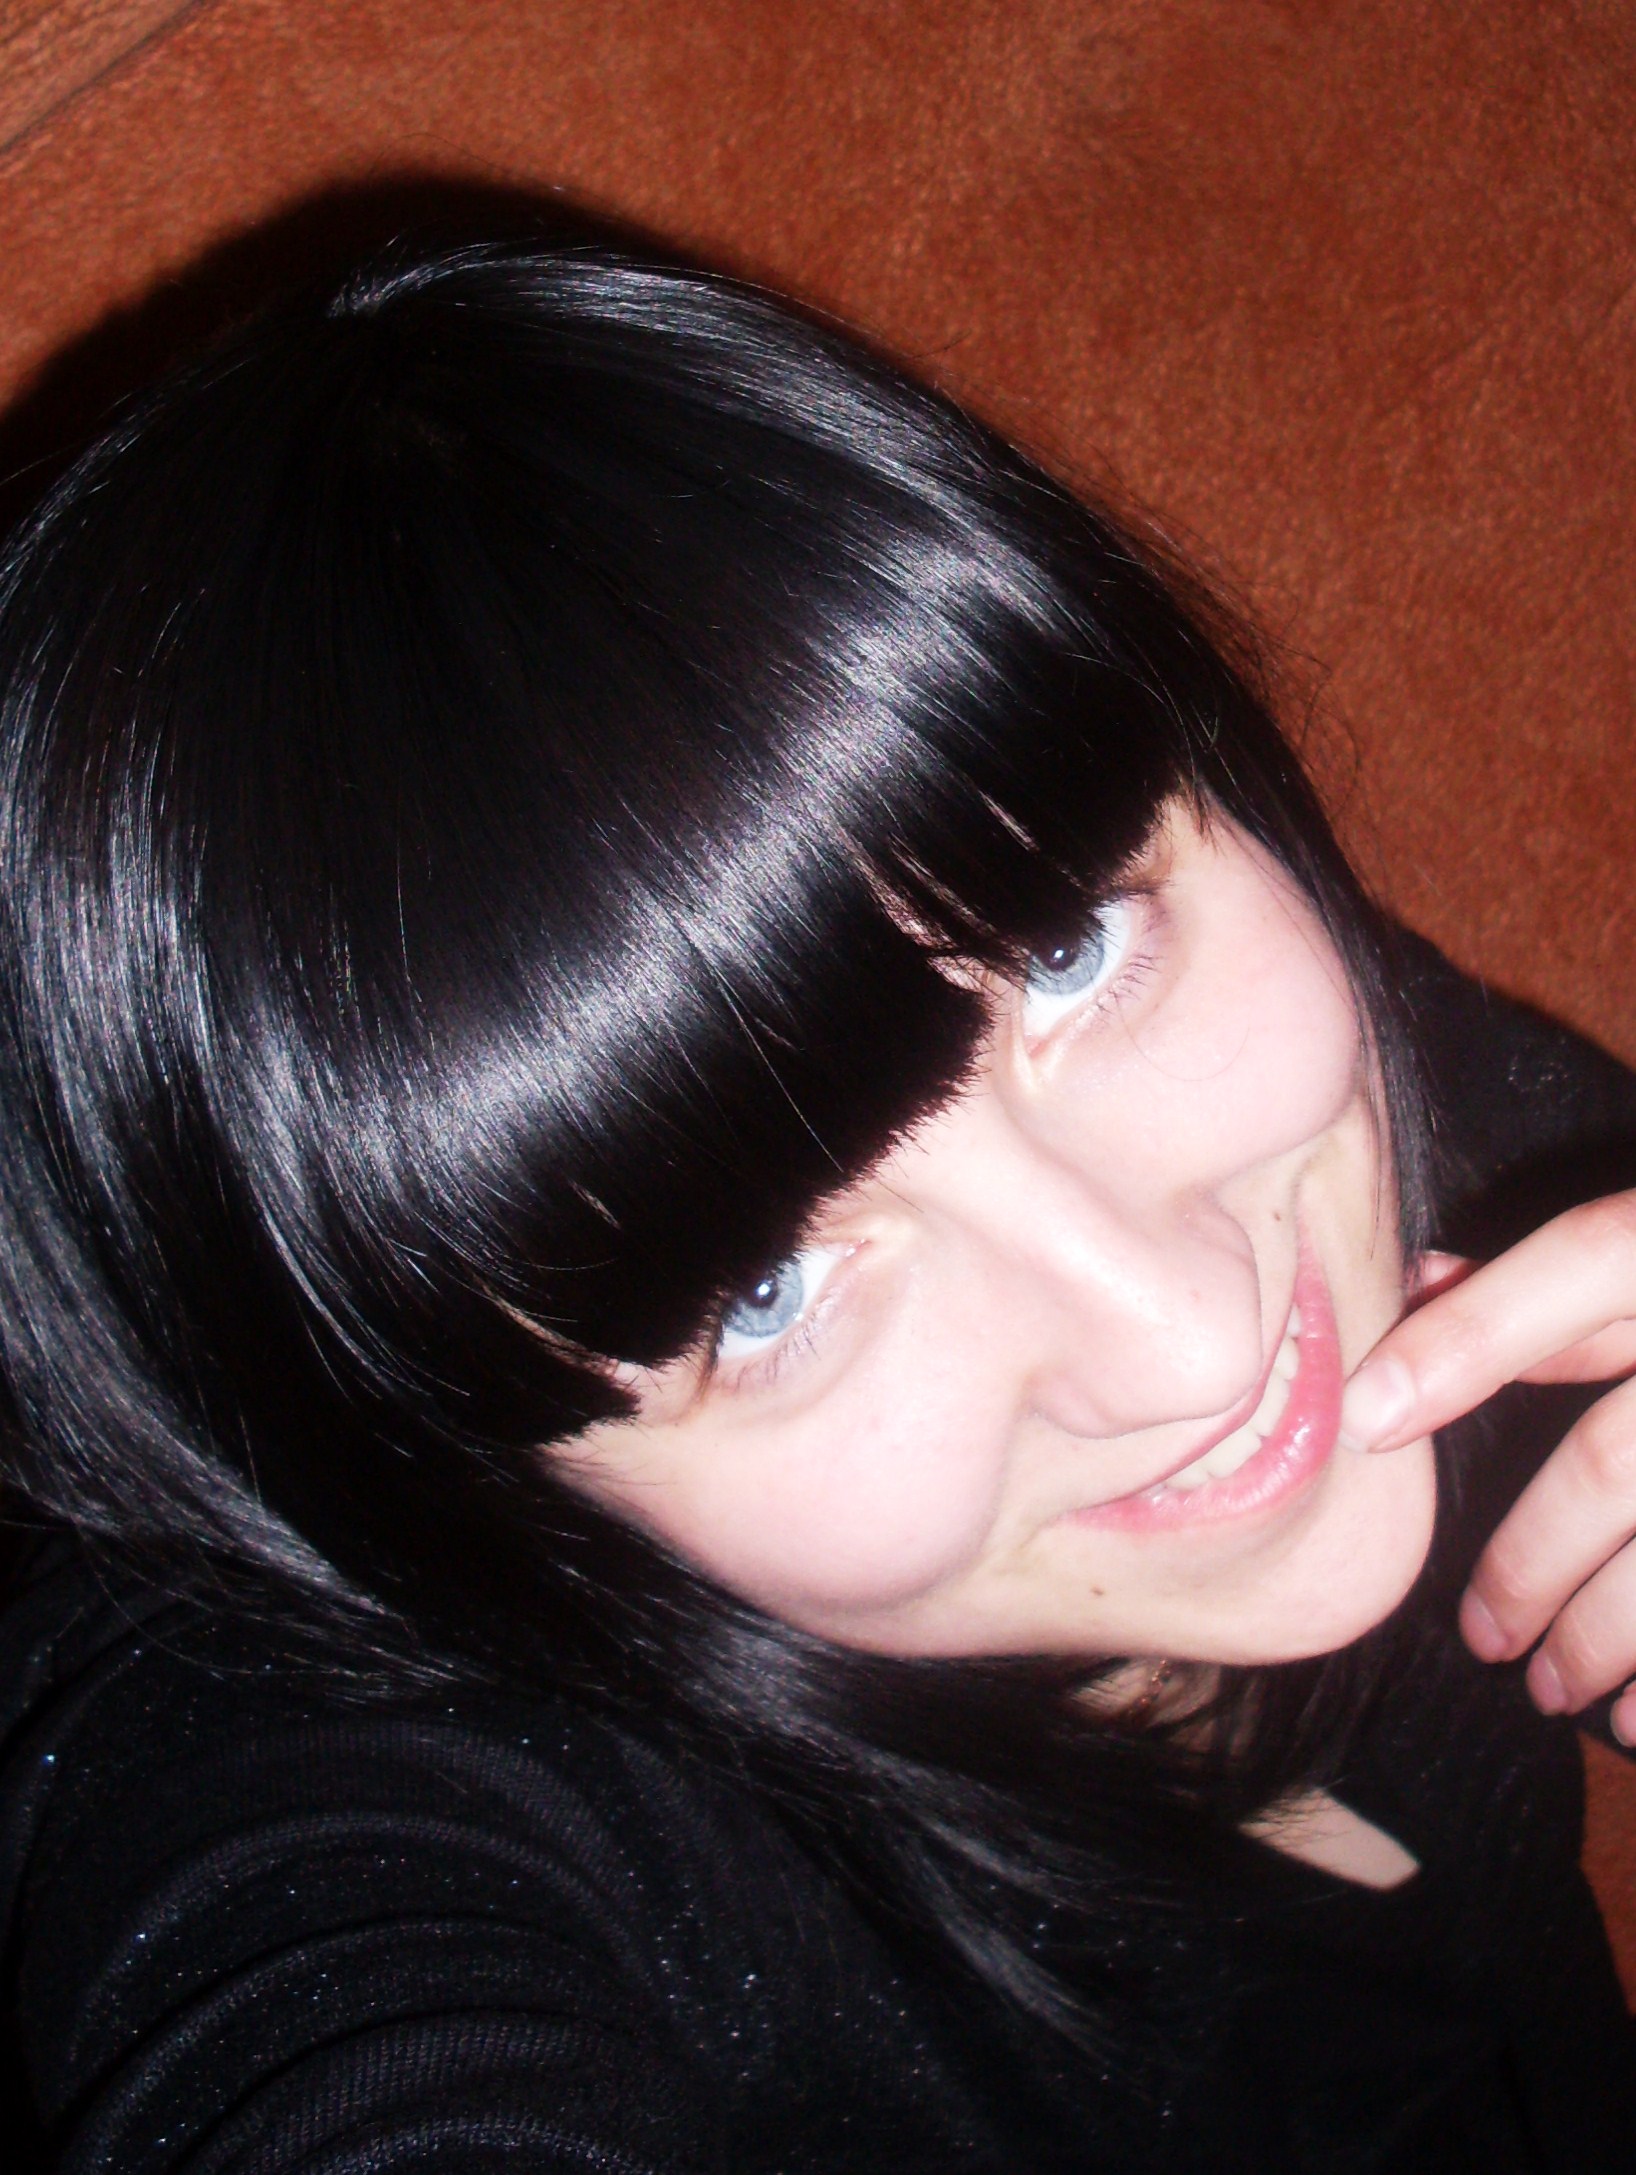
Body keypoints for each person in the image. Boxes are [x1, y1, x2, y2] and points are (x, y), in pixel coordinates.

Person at [0, 236, 1632, 2172]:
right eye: (765, 1292)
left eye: (1066, 950)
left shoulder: (1383, 1104)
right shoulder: (351, 1792)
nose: (1190, 1331)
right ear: (452, 1486)